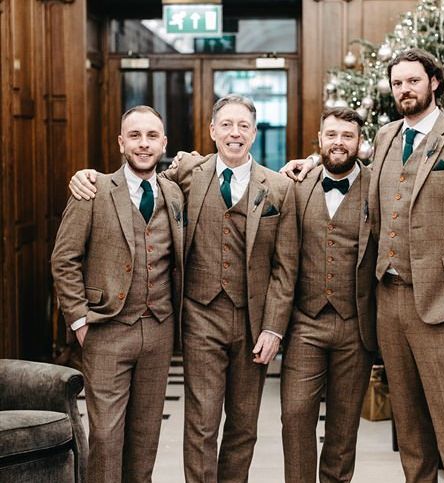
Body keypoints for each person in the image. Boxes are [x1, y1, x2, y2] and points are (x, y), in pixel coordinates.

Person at [282, 48, 444, 483]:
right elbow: (349, 173)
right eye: (397, 82)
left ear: (433, 82)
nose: (404, 89)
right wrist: (312, 161)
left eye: (413, 81)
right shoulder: (383, 137)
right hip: (389, 306)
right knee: (410, 430)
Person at [68, 94, 299, 483]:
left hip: (254, 324)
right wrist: (84, 175)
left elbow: (285, 267)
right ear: (211, 131)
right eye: (226, 124)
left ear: (255, 133)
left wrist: (274, 328)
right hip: (200, 317)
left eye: (243, 125)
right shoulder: (186, 176)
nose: (234, 133)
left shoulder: (278, 187)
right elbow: (132, 181)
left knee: (244, 426)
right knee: (201, 424)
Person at [52, 105, 185, 483]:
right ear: (121, 142)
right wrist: (79, 320)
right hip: (106, 330)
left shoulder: (175, 195)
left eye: (151, 136)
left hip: (158, 331)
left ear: (163, 143)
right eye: (135, 136)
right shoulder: (92, 190)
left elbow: (220, 163)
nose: (144, 144)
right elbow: (64, 259)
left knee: (145, 438)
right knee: (108, 437)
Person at [281, 106, 376, 482]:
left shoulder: (378, 186)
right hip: (306, 322)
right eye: (332, 135)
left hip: (356, 325)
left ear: (360, 143)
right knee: (294, 416)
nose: (339, 143)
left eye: (347, 136)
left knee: (343, 427)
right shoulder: (295, 183)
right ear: (319, 140)